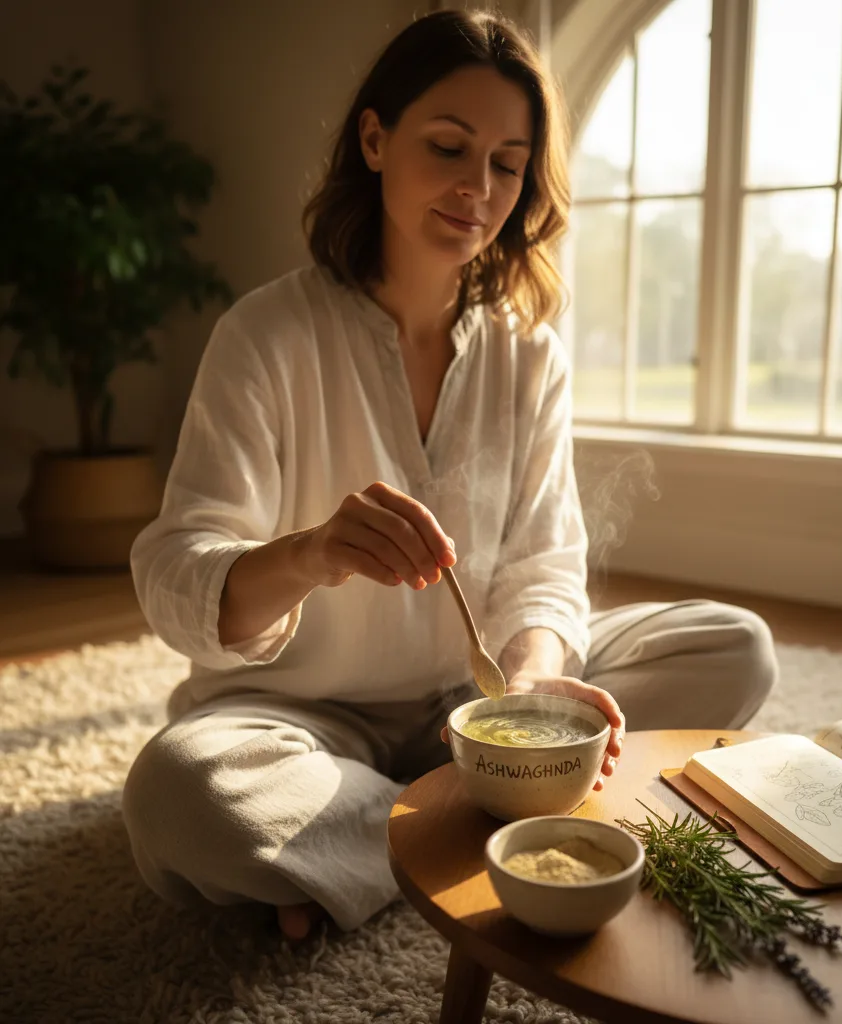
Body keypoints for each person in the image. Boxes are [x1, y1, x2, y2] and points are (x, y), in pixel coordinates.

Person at [122, 9, 777, 942]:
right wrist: (308, 555)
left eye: (508, 163)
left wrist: (534, 691)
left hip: (476, 710)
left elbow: (546, 565)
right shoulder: (265, 336)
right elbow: (174, 573)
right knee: (180, 795)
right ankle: (476, 824)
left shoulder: (528, 353)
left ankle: (377, 841)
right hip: (298, 723)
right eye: (449, 146)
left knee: (733, 645)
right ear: (376, 139)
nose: (478, 188)